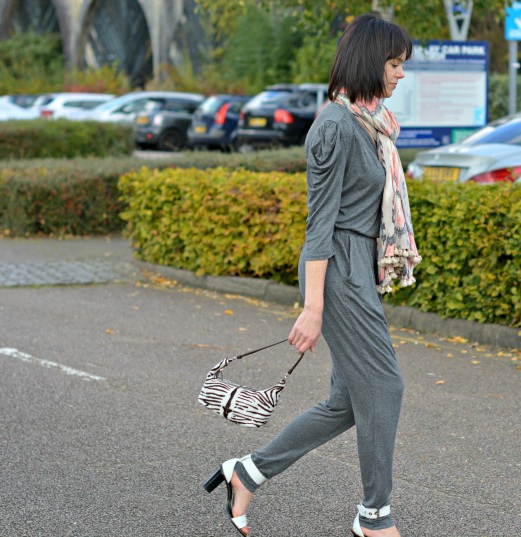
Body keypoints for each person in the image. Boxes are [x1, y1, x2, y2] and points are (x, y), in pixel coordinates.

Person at [203, 12, 421, 537]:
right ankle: (374, 518)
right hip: (338, 271)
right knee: (385, 388)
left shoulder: (369, 123)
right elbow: (318, 226)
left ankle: (246, 472)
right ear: (370, 61)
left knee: (350, 401)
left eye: (402, 65)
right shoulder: (334, 126)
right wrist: (313, 306)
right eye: (394, 64)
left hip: (357, 269)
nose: (400, 75)